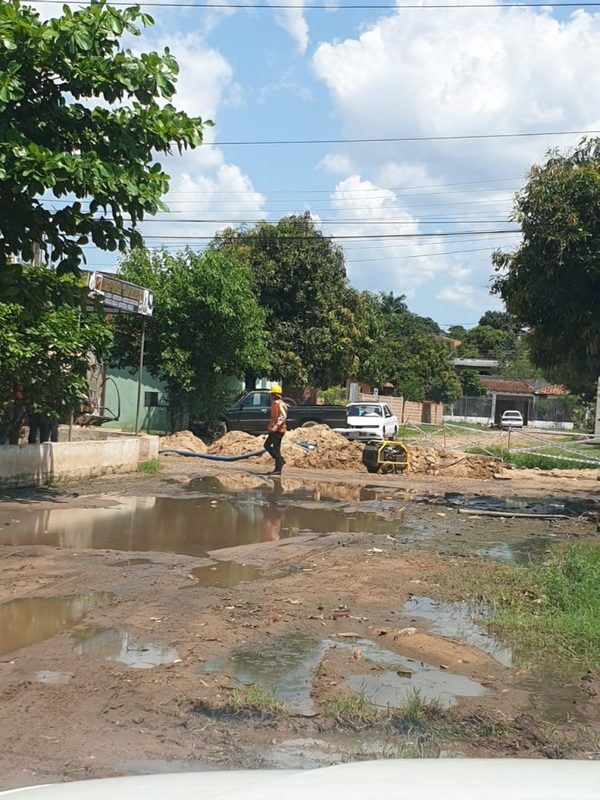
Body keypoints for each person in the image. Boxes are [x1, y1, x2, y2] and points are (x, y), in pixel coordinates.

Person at [264, 385, 287, 475]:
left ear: (275, 394)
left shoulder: (281, 404)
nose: (271, 396)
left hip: (278, 430)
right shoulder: (275, 403)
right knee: (267, 445)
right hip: (273, 430)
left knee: (276, 449)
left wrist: (276, 426)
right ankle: (280, 460)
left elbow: (282, 417)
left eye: (272, 394)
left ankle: (278, 468)